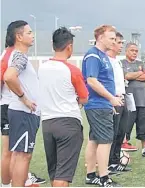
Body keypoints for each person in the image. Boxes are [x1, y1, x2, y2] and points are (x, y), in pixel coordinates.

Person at [38, 27, 88, 187]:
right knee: (63, 175)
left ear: (53, 45)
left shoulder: (42, 68)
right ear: (70, 47)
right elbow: (84, 98)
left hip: (47, 124)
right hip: (67, 123)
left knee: (55, 173)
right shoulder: (72, 70)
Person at [0, 23, 45, 188]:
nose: (33, 35)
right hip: (23, 114)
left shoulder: (17, 55)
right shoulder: (20, 56)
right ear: (19, 36)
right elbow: (9, 76)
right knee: (23, 156)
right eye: (29, 32)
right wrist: (24, 99)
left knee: (19, 154)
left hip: (22, 114)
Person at [82, 24, 123, 187]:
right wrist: (111, 98)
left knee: (94, 140)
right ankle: (104, 177)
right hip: (97, 104)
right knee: (105, 141)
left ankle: (91, 175)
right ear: (100, 38)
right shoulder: (93, 55)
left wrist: (109, 101)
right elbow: (92, 80)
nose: (114, 42)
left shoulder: (103, 55)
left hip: (101, 104)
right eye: (111, 38)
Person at [122, 43, 145, 157]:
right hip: (129, 100)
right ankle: (123, 148)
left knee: (144, 125)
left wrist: (134, 75)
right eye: (132, 50)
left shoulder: (140, 63)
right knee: (127, 125)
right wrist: (139, 73)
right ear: (126, 51)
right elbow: (126, 76)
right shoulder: (121, 63)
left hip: (142, 100)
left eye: (136, 51)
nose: (134, 53)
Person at [107, 32, 132, 173]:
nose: (121, 45)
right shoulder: (106, 60)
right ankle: (109, 162)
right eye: (119, 42)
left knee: (121, 131)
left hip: (122, 99)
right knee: (113, 132)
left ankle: (115, 160)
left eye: (122, 43)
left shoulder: (117, 61)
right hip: (113, 99)